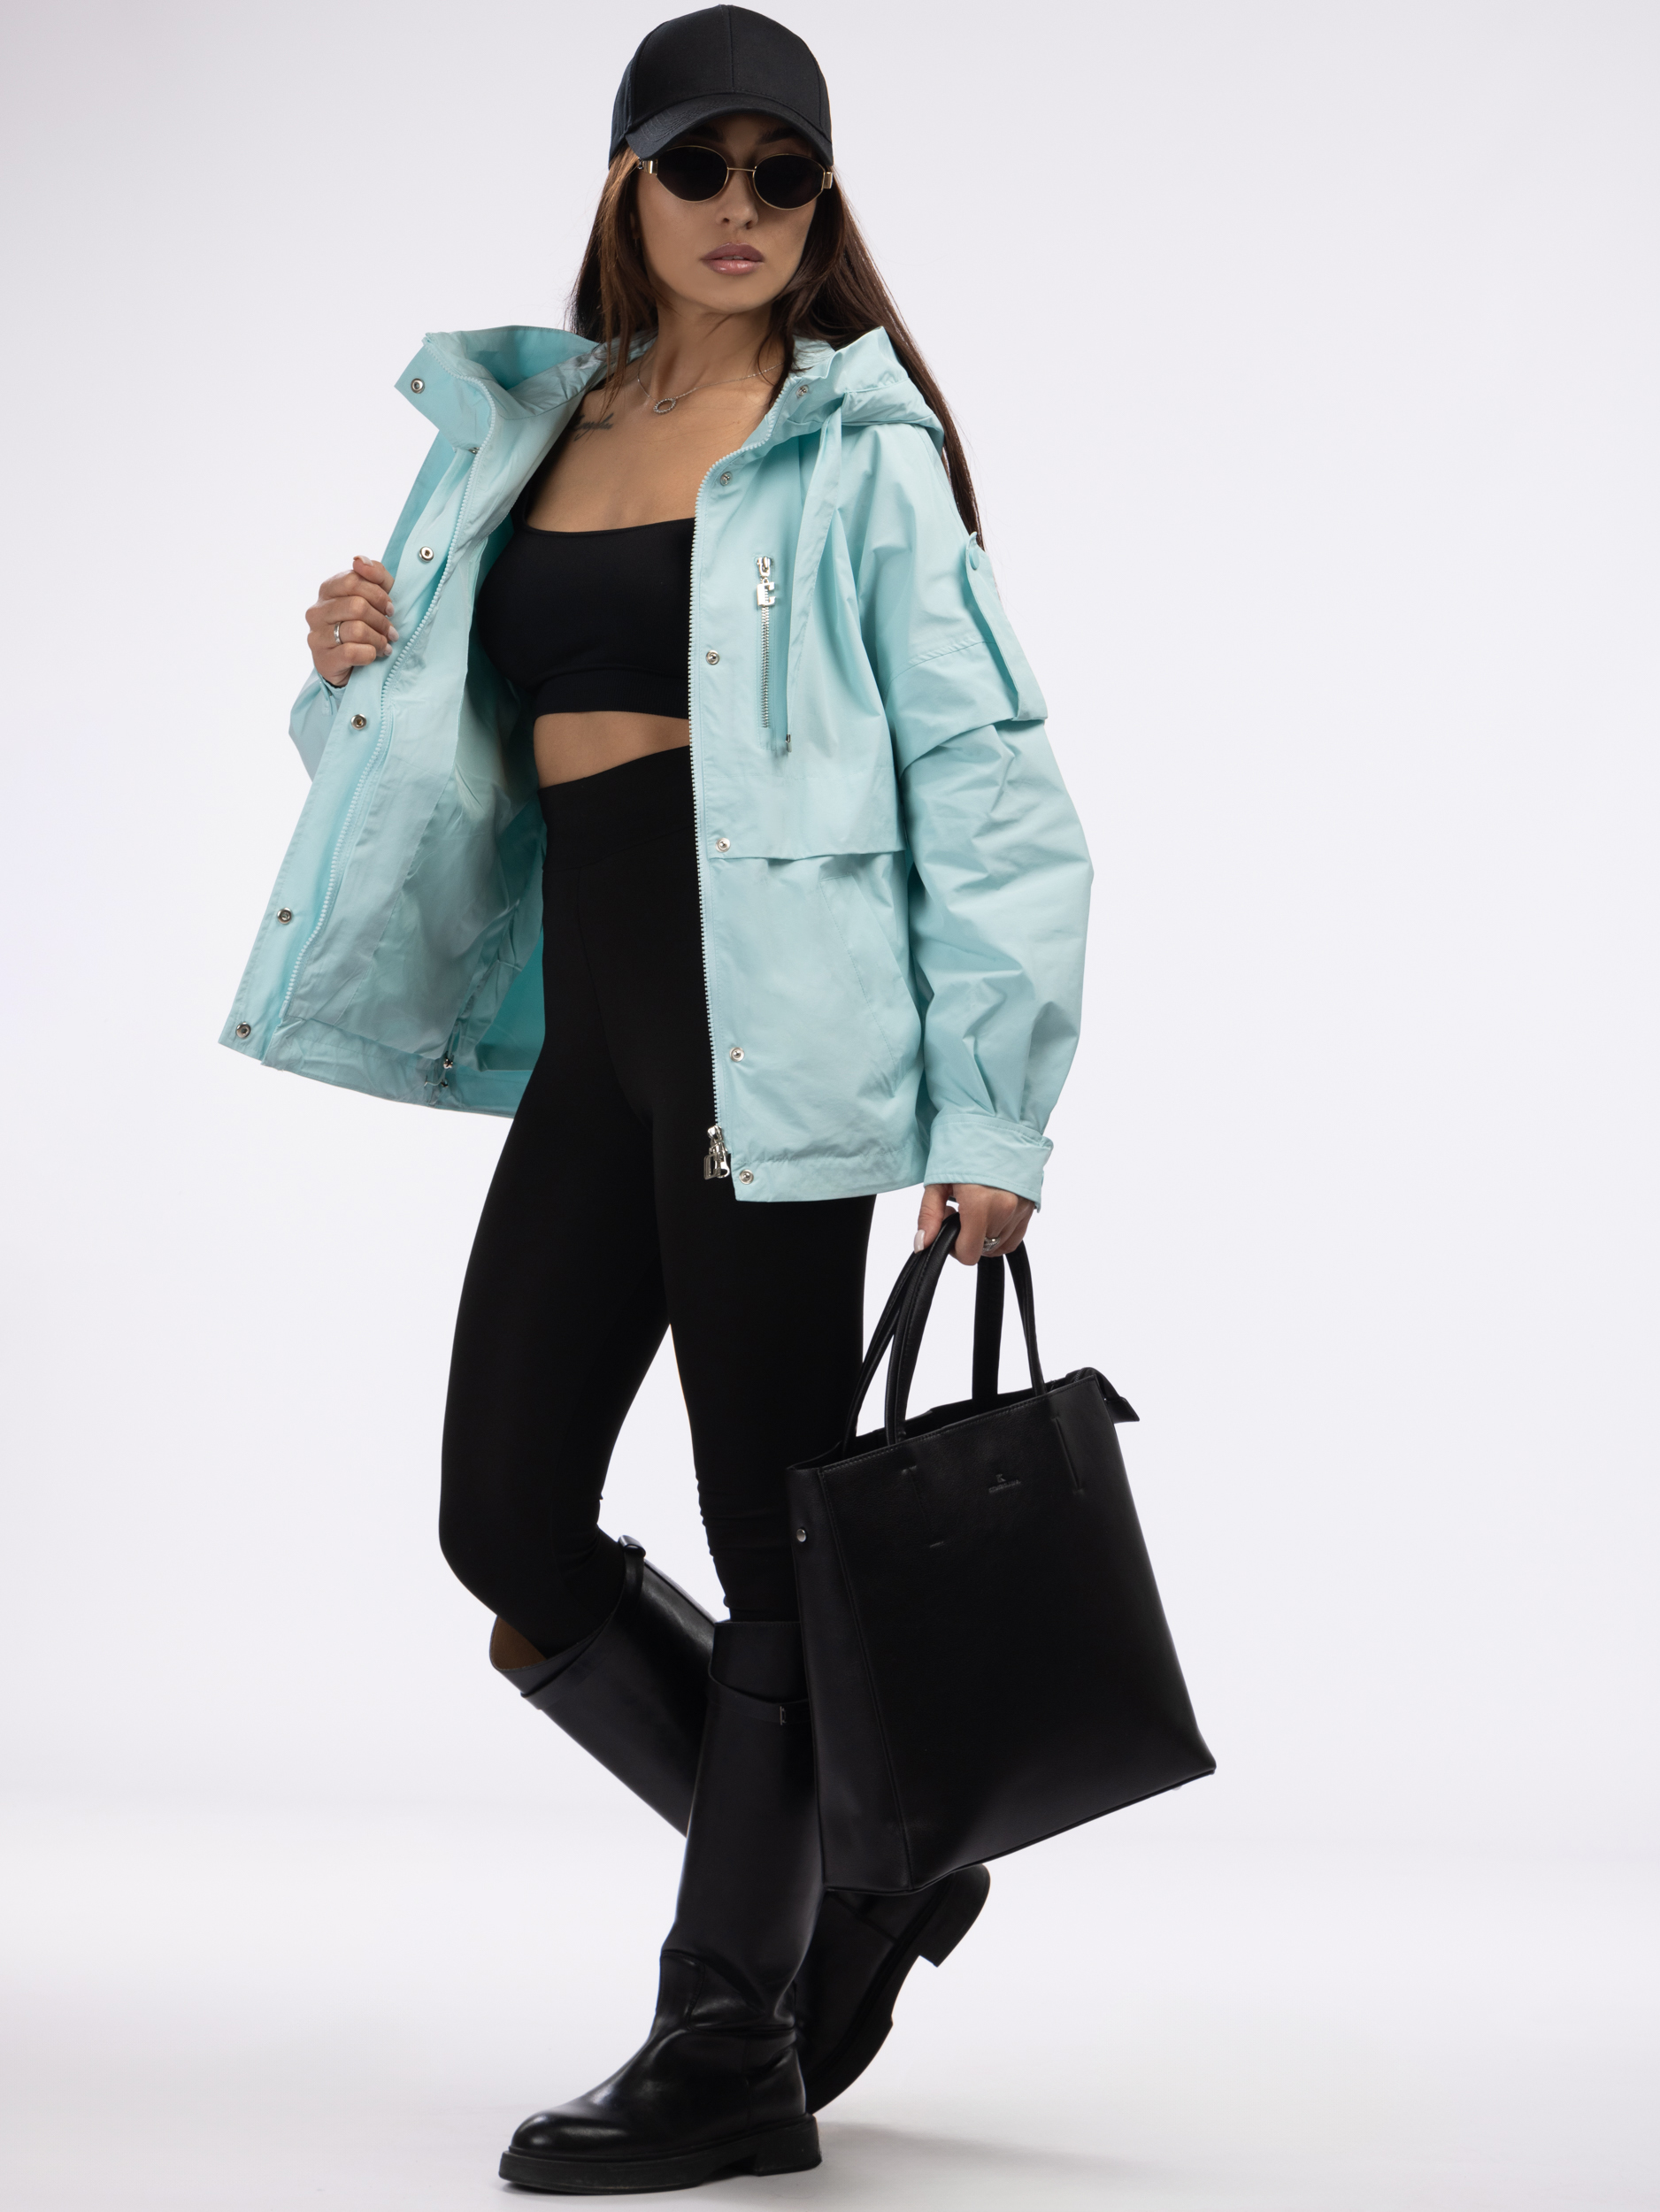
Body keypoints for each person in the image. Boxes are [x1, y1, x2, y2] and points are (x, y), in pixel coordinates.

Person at [224, 4, 1090, 2192]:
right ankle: (863, 1870)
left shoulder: (852, 446)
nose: (737, 208)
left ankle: (725, 2040)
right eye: (696, 165)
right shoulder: (527, 429)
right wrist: (351, 679)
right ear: (625, 181)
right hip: (592, 1030)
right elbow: (442, 772)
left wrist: (987, 1119)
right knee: (501, 1521)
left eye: (781, 175)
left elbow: (989, 790)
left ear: (820, 206)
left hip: (763, 1034)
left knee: (765, 1533)